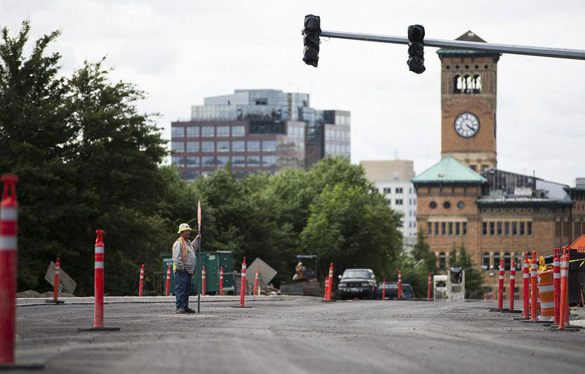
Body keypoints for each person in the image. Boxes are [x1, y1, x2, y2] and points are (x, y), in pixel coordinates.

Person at [172, 223, 200, 314]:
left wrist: (197, 239)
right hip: (181, 271)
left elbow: (193, 248)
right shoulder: (178, 243)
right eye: (186, 231)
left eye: (189, 231)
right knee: (181, 289)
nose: (188, 232)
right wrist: (181, 267)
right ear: (182, 232)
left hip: (188, 271)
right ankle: (179, 307)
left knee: (187, 290)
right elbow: (176, 257)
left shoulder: (188, 242)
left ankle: (185, 306)